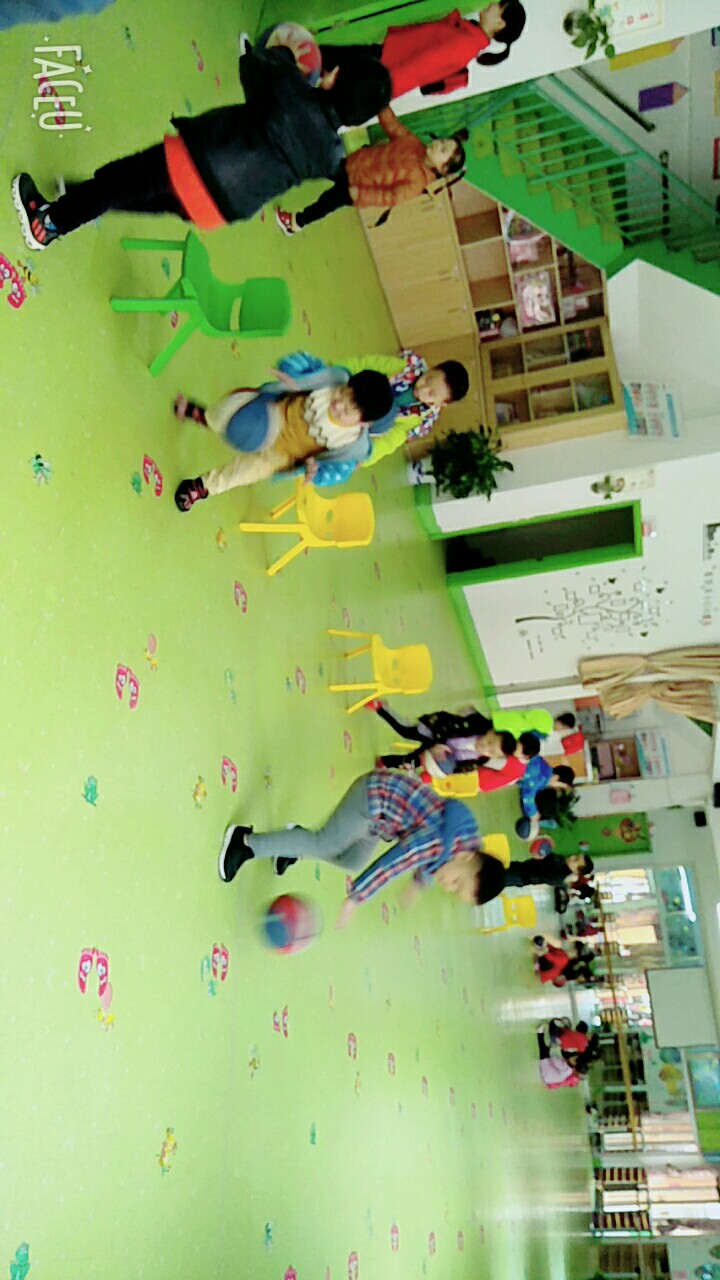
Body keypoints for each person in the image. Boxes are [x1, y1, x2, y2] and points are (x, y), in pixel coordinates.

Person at [12, 43, 391, 250]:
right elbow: (341, 175)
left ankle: (48, 224)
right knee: (143, 197)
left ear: (335, 78)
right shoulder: (332, 154)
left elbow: (252, 66)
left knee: (115, 182)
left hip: (195, 162)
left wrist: (284, 56)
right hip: (219, 210)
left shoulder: (289, 88)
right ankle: (80, 200)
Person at [216, 768, 506, 927]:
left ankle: (293, 842)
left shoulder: (466, 844)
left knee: (352, 860)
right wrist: (356, 897)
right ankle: (245, 842)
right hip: (373, 797)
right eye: (456, 882)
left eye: (454, 891)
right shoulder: (438, 842)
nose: (448, 886)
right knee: (325, 842)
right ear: (467, 857)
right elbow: (394, 863)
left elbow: (434, 863)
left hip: (382, 822)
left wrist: (419, 883)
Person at [172, 360, 394, 511]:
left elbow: (337, 472)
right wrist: (292, 374)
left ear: (363, 422)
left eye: (346, 411)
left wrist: (314, 472)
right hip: (274, 413)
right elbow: (306, 364)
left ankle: (203, 486)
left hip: (283, 455)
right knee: (227, 416)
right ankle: (204, 416)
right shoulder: (334, 378)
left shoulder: (351, 445)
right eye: (341, 394)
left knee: (242, 473)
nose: (337, 405)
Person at [275, 105, 465, 236]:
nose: (437, 144)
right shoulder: (413, 143)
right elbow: (392, 125)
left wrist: (361, 195)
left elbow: (389, 197)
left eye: (442, 150)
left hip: (356, 189)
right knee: (318, 163)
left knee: (325, 203)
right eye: (441, 141)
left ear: (443, 168)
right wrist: (380, 103)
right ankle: (284, 166)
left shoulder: (417, 182)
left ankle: (295, 223)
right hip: (352, 164)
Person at [320, 2, 526, 100]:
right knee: (323, 61)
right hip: (385, 61)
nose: (491, 3)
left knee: (321, 59)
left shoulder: (466, 43)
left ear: (500, 23)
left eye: (498, 5)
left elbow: (418, 67)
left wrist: (378, 84)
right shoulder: (469, 37)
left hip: (383, 66)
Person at [341, 349, 469, 465]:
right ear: (431, 369)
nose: (423, 389)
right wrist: (340, 370)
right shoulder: (403, 369)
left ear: (441, 403)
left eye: (431, 394)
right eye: (428, 380)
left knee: (386, 417)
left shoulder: (418, 420)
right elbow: (366, 364)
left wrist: (364, 458)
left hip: (363, 425)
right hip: (350, 391)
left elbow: (389, 441)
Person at [369, 699, 515, 773]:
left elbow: (458, 769)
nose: (485, 748)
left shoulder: (477, 760)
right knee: (404, 730)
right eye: (489, 742)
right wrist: (439, 743)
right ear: (490, 732)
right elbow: (447, 725)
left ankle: (386, 761)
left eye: (490, 752)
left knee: (411, 763)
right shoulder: (474, 726)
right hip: (434, 730)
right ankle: (381, 708)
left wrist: (444, 769)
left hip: (438, 754)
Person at [504, 851, 593, 889]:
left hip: (520, 876)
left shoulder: (559, 876)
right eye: (575, 855)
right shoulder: (560, 859)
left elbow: (545, 875)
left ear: (577, 871)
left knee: (499, 877)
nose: (572, 856)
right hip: (521, 866)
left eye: (575, 859)